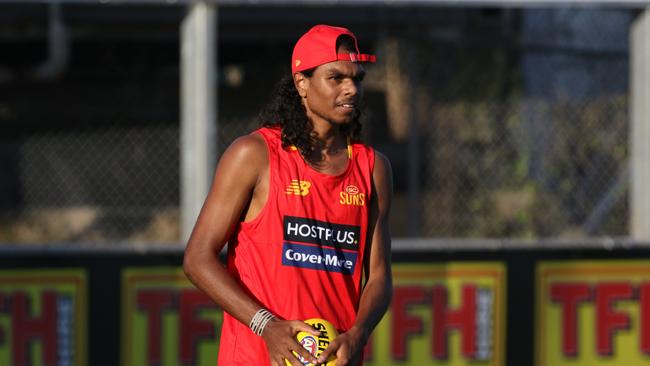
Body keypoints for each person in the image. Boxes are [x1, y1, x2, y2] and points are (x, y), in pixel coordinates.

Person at [183, 24, 393, 366]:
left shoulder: (372, 169)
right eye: (335, 77)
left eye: (357, 78)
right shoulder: (254, 154)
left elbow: (380, 277)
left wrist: (358, 333)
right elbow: (197, 258)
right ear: (301, 83)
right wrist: (266, 327)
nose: (351, 89)